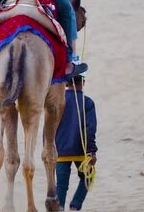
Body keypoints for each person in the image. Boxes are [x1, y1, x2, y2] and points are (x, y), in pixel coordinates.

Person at [55, 75, 97, 211]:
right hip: (81, 150)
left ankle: (60, 208)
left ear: (66, 83)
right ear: (83, 83)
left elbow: (49, 127)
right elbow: (90, 129)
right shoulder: (87, 102)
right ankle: (75, 206)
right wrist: (91, 151)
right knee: (88, 176)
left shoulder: (57, 102)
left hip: (60, 150)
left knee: (61, 185)